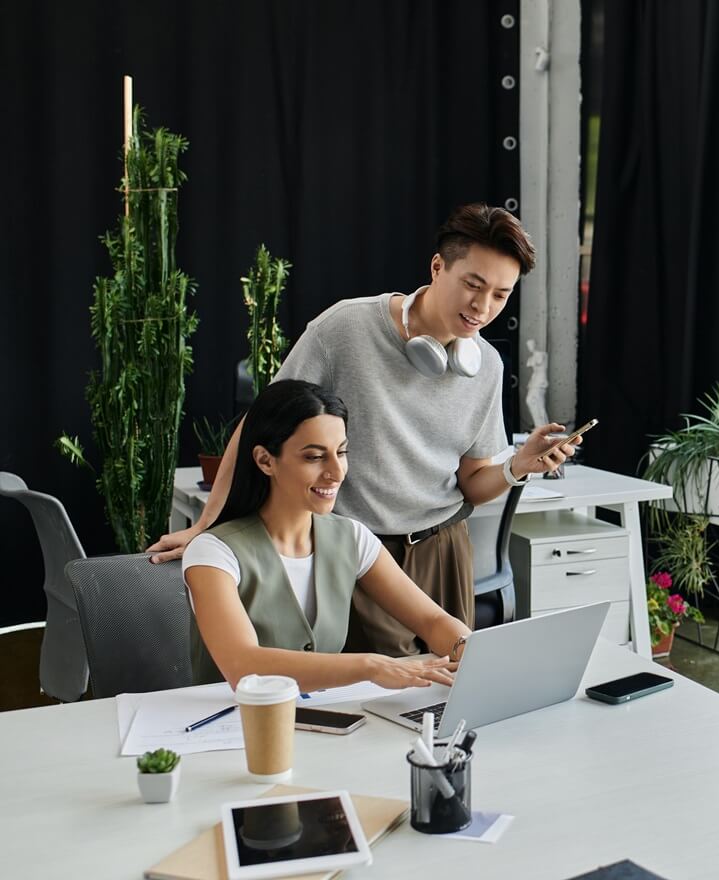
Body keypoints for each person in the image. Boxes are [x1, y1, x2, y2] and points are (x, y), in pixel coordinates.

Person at [150, 204, 580, 655]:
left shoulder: (486, 365)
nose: (482, 307)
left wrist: (518, 466)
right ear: (438, 267)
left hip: (445, 548)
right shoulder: (345, 328)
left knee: (453, 677)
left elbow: (471, 483)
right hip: (362, 552)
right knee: (372, 688)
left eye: (500, 295)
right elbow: (260, 424)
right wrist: (208, 523)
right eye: (473, 285)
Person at [183, 380, 468, 690]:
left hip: (325, 714)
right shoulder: (213, 552)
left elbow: (432, 621)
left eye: (341, 452)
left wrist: (467, 647)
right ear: (265, 460)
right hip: (233, 717)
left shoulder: (352, 537)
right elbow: (243, 665)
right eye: (314, 457)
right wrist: (371, 666)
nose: (336, 472)